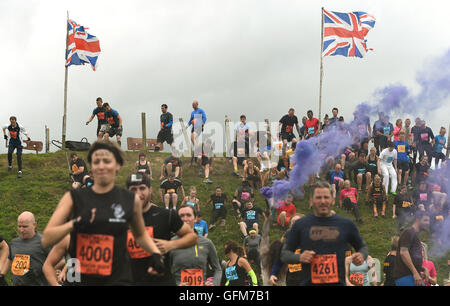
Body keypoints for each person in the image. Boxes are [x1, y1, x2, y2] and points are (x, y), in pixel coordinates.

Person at [41, 141, 165, 285]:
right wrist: (74, 223)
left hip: (117, 281)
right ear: (91, 167)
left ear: (117, 165)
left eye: (106, 161)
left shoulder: (130, 200)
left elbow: (140, 234)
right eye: (96, 161)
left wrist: (155, 253)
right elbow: (46, 239)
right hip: (83, 282)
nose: (101, 166)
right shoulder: (73, 197)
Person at [281, 181, 369, 286]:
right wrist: (299, 257)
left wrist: (361, 255)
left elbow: (362, 246)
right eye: (318, 197)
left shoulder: (346, 224)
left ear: (332, 200)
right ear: (311, 200)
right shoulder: (300, 225)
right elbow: (284, 254)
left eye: (326, 197)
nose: (323, 201)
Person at [125, 172, 197, 285]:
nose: (138, 193)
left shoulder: (166, 215)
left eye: (142, 188)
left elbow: (192, 237)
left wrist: (170, 245)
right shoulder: (120, 219)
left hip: (162, 281)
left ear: (150, 190)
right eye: (133, 189)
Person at [169, 205, 222, 286]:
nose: (185, 219)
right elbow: (163, 272)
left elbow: (218, 269)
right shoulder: (171, 243)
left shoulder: (207, 243)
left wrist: (214, 283)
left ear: (195, 218)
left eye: (188, 215)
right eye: (181, 216)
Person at [5, 211, 50, 285]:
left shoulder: (44, 242)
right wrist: (2, 275)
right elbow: (9, 260)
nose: (21, 230)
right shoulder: (14, 243)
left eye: (25, 227)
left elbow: (60, 261)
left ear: (34, 225)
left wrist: (42, 270)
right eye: (19, 226)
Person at [393, 210, 430, 286]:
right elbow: (403, 253)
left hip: (411, 276)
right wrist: (415, 273)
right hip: (405, 276)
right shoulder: (408, 232)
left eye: (428, 220)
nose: (428, 223)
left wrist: (423, 269)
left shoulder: (414, 236)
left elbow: (412, 258)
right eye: (425, 220)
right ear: (417, 220)